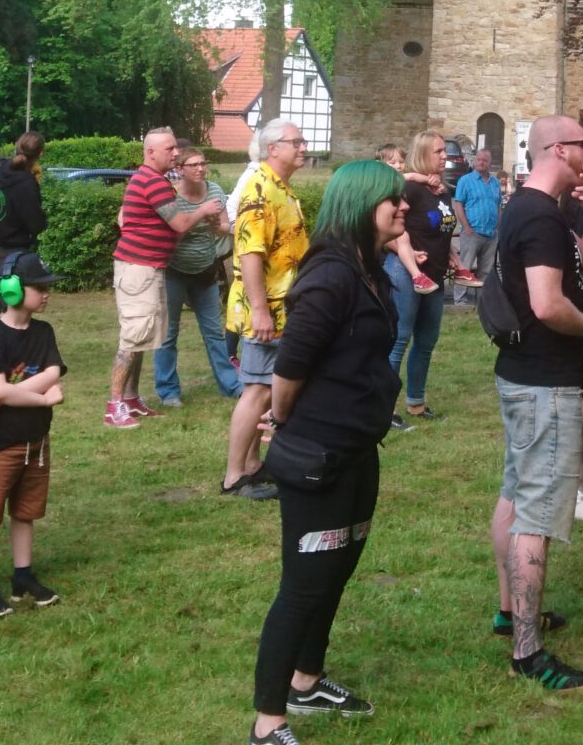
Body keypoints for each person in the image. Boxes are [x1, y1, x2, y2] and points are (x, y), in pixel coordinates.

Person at [241, 161, 405, 745]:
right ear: (361, 205)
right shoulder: (330, 275)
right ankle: (268, 721)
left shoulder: (370, 271)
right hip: (319, 454)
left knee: (338, 566)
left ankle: (306, 681)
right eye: (392, 200)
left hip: (358, 447)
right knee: (304, 583)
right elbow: (290, 366)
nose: (403, 208)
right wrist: (284, 420)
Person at [489, 114, 583, 694]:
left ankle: (509, 611)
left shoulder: (544, 209)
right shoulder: (539, 216)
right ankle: (528, 652)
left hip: (525, 377)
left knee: (516, 493)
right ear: (560, 150)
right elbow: (547, 304)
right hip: (544, 384)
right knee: (537, 515)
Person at [0, 251, 67, 616]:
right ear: (13, 289)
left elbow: (52, 372)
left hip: (35, 441)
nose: (47, 294)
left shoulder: (44, 332)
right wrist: (41, 399)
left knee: (25, 512)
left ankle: (22, 577)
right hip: (1, 443)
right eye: (39, 288)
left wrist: (11, 393)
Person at [223, 118, 310, 501]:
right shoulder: (259, 189)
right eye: (296, 142)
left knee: (266, 387)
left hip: (282, 307)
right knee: (257, 389)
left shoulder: (279, 186)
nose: (304, 147)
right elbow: (250, 254)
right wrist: (260, 310)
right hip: (268, 310)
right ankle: (234, 476)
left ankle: (253, 464)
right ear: (273, 148)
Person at [106, 126, 181, 428]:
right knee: (132, 338)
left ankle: (131, 399)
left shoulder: (148, 178)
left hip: (146, 268)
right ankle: (114, 407)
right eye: (170, 149)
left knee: (142, 337)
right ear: (151, 152)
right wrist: (204, 211)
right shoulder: (152, 181)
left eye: (176, 147)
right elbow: (180, 224)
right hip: (139, 270)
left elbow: (123, 218)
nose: (176, 153)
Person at [155, 146, 238, 406]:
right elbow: (173, 234)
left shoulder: (214, 191)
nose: (201, 169)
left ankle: (231, 385)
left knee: (214, 333)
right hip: (174, 271)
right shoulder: (172, 195)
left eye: (203, 163)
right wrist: (201, 213)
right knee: (168, 333)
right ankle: (169, 391)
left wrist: (216, 225)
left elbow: (224, 228)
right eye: (194, 165)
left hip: (205, 270)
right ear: (180, 169)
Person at [387, 131, 453, 429]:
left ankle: (416, 403)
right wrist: (406, 251)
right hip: (405, 272)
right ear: (423, 153)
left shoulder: (442, 191)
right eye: (438, 151)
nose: (445, 156)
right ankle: (384, 409)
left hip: (434, 275)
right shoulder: (409, 189)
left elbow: (441, 229)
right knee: (399, 340)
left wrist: (452, 255)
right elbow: (385, 223)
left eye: (444, 151)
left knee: (426, 342)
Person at [0, 133, 47, 273]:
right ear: (40, 153)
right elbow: (35, 222)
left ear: (16, 147)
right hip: (16, 251)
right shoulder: (27, 182)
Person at [453, 148, 505, 288]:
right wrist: (466, 227)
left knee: (486, 272)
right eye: (479, 159)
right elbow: (458, 204)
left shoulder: (495, 182)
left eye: (485, 160)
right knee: (464, 269)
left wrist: (497, 227)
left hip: (491, 234)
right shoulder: (465, 180)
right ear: (475, 161)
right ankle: (461, 300)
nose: (481, 163)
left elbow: (498, 205)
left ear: (490, 163)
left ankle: (482, 299)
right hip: (472, 232)